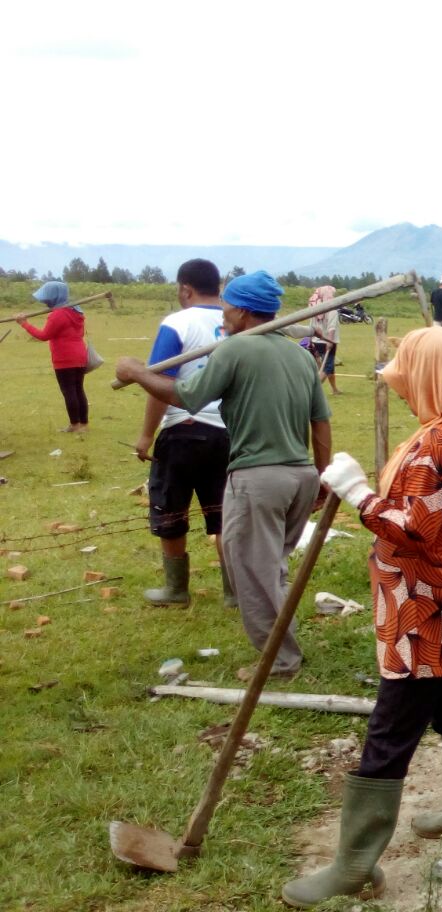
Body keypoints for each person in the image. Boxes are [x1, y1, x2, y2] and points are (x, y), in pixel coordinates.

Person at [282, 328, 442, 908]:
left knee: (390, 726)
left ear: (425, 374)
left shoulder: (440, 445)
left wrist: (356, 493)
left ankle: (354, 865)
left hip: (425, 606)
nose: (399, 386)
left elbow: (416, 532)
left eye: (404, 373)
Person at [114, 270, 332, 682]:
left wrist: (137, 372)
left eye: (228, 307)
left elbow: (187, 397)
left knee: (251, 570)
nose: (223, 314)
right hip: (300, 476)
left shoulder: (234, 350)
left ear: (245, 312)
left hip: (258, 479)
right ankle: (283, 649)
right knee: (272, 568)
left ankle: (279, 664)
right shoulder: (301, 355)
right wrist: (322, 474)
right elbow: (320, 422)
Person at [133, 259, 233, 608]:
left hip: (183, 429)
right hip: (228, 432)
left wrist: (146, 436)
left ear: (184, 289)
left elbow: (160, 385)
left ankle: (176, 590)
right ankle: (234, 592)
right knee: (223, 512)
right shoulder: (235, 321)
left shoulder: (177, 323)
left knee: (171, 508)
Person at [17, 281, 89, 432]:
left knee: (69, 391)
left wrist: (24, 324)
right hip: (80, 355)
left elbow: (44, 336)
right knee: (78, 389)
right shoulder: (77, 311)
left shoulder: (58, 314)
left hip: (65, 357)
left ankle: (74, 425)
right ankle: (83, 425)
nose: (45, 302)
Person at [309, 284, 342, 394]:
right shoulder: (331, 309)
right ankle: (311, 392)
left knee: (329, 367)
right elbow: (331, 328)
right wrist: (329, 341)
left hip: (316, 341)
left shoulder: (316, 308)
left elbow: (311, 326)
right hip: (327, 341)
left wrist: (310, 340)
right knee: (326, 368)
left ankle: (334, 389)